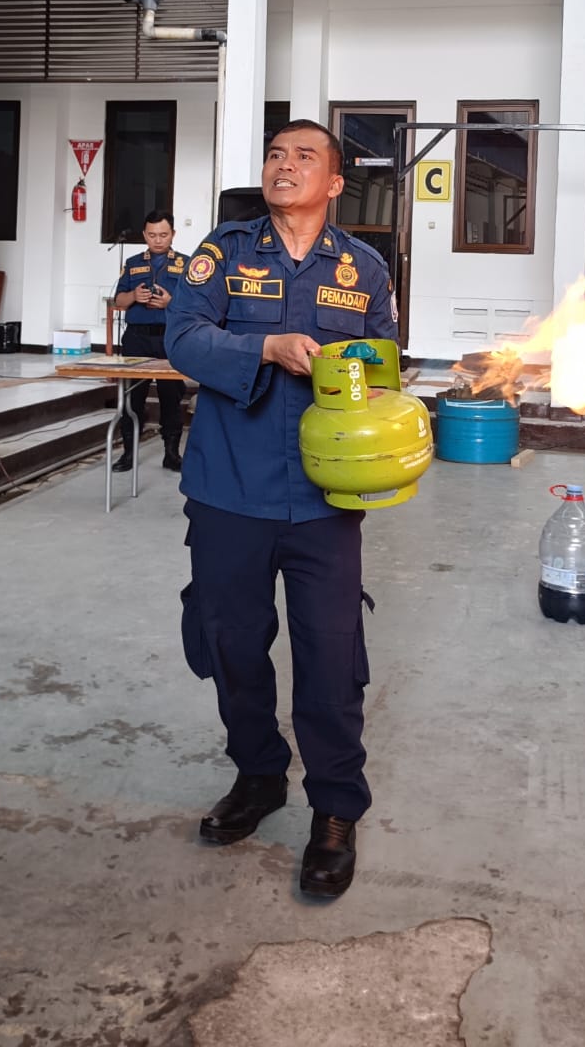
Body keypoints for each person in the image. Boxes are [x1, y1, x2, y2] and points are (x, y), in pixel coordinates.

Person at [165, 120, 398, 898]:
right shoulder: (224, 252)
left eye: (304, 157)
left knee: (332, 660)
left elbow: (385, 367)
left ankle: (335, 810)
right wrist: (262, 349)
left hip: (326, 500)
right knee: (232, 644)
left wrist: (394, 425)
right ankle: (259, 776)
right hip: (229, 489)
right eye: (274, 155)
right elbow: (182, 338)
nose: (283, 166)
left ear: (336, 183)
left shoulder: (363, 269)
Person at [112, 210, 188, 473]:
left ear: (173, 234)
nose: (158, 240)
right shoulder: (133, 263)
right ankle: (128, 454)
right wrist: (134, 295)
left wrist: (170, 302)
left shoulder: (187, 264)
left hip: (169, 338)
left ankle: (171, 454)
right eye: (152, 235)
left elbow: (195, 306)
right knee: (132, 396)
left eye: (163, 235)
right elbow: (118, 302)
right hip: (137, 338)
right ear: (144, 235)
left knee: (171, 396)